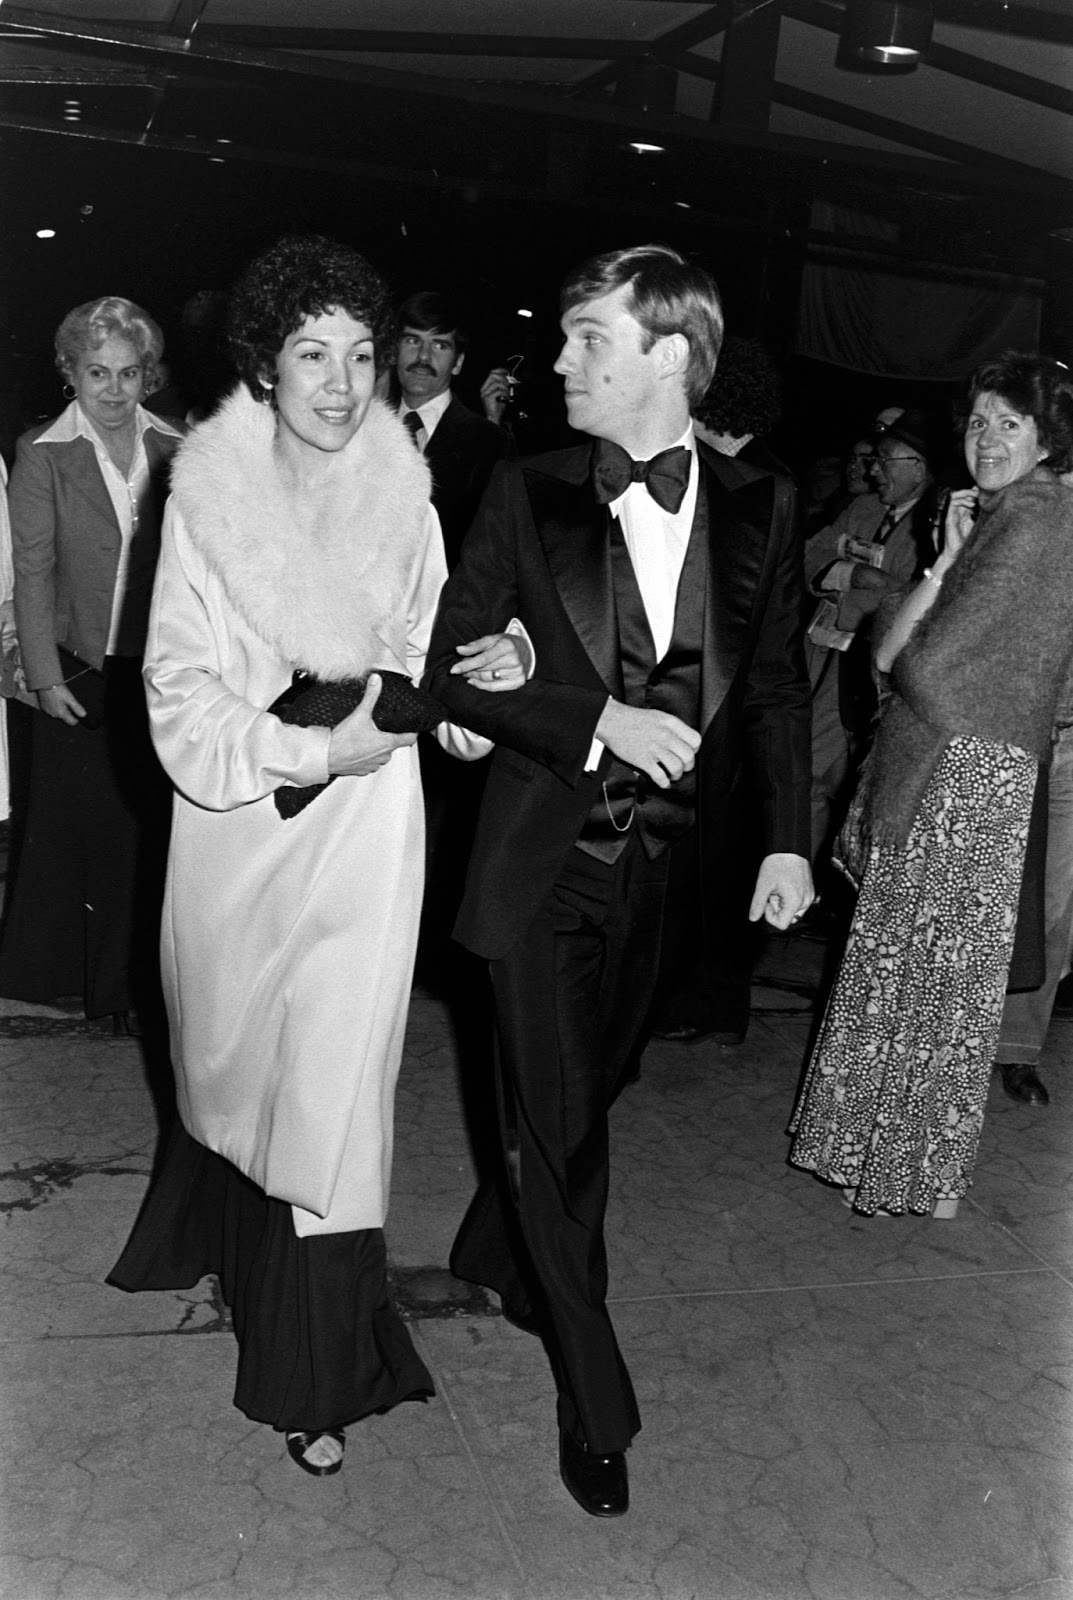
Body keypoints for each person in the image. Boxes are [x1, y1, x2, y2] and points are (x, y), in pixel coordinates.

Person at [108, 236, 527, 1478]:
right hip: (241, 829)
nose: (341, 384)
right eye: (311, 354)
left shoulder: (406, 488)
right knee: (233, 1059)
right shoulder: (204, 499)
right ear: (264, 362)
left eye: (359, 353)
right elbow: (176, 694)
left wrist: (469, 697)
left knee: (336, 1093)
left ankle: (315, 1370)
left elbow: (422, 656)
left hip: (366, 836)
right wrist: (302, 754)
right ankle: (215, 1229)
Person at [426, 244, 813, 1517]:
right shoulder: (522, 489)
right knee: (564, 1134)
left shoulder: (764, 503)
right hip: (543, 868)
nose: (556, 360)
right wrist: (589, 719)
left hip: (677, 880)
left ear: (665, 354)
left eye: (586, 338)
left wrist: (782, 840)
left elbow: (763, 689)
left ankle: (497, 1248)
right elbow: (446, 667)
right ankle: (595, 1400)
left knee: (587, 1096)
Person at [790, 352, 1073, 1218]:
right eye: (977, 421)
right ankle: (891, 1159)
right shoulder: (998, 520)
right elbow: (897, 646)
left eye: (1008, 423)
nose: (985, 439)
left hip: (969, 774)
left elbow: (916, 663)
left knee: (933, 978)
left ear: (1047, 437)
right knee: (916, 971)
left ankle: (914, 1170)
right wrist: (946, 562)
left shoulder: (1038, 519)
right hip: (957, 766)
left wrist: (912, 653)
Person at [0, 297, 182, 1030]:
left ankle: (131, 990)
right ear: (69, 373)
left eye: (129, 373)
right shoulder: (41, 451)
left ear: (149, 376)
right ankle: (72, 981)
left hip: (161, 664)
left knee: (144, 828)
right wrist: (41, 675)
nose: (113, 389)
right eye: (97, 372)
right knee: (78, 827)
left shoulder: (180, 445)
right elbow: (32, 569)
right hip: (76, 662)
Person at [804, 410, 939, 868]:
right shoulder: (862, 509)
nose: (872, 470)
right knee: (811, 774)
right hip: (822, 659)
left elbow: (904, 598)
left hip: (877, 677)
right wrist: (853, 572)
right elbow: (808, 556)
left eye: (884, 459)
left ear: (917, 465)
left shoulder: (936, 525)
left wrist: (857, 592)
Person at [394, 290, 509, 567]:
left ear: (457, 363)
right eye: (412, 340)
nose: (423, 356)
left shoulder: (489, 443)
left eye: (440, 346)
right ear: (393, 350)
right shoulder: (361, 428)